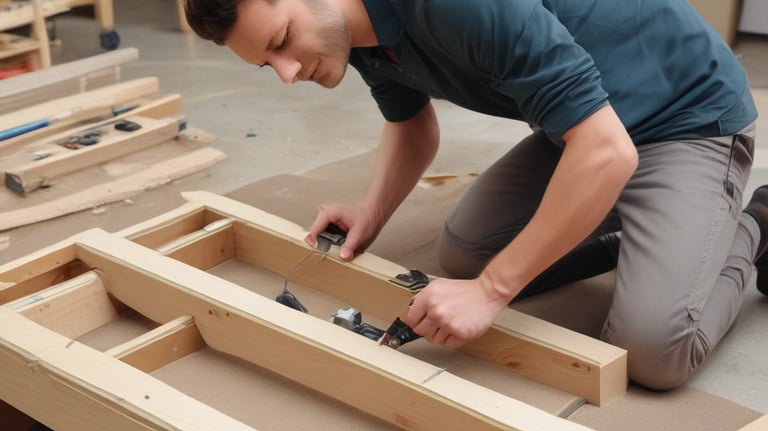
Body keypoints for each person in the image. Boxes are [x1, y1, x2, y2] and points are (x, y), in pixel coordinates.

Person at [183, 0, 764, 390]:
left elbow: (608, 151)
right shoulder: (351, 31)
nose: (287, 73)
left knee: (655, 351)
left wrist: (492, 292)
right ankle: (648, 238)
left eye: (282, 40)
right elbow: (411, 123)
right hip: (584, 129)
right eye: (268, 64)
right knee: (467, 252)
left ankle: (752, 224)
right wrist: (372, 211)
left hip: (684, 119)